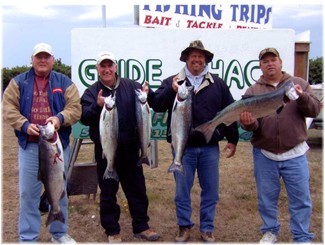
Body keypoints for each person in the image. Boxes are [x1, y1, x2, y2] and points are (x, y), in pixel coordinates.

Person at [147, 40, 239, 242]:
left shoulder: (218, 84)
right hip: (183, 150)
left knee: (211, 191)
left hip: (210, 148)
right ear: (186, 59)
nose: (197, 59)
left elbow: (229, 112)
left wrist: (232, 138)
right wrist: (171, 90)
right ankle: (183, 226)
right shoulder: (173, 81)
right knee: (182, 192)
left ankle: (207, 228)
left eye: (201, 56)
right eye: (193, 56)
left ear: (206, 60)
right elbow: (157, 105)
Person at [239, 48, 320, 243]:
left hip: (296, 153)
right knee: (267, 198)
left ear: (281, 62)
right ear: (260, 66)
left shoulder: (298, 84)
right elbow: (252, 126)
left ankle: (301, 236)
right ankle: (270, 231)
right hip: (264, 153)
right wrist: (249, 123)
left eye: (273, 59)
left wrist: (302, 97)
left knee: (300, 199)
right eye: (265, 61)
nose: (269, 63)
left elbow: (315, 110)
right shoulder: (252, 91)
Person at [2, 42, 81, 243]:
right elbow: (8, 108)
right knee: (29, 193)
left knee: (59, 191)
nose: (43, 60)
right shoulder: (18, 83)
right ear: (32, 59)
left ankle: (59, 233)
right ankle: (28, 237)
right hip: (29, 146)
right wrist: (24, 124)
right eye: (39, 57)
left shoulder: (65, 83)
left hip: (57, 146)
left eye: (47, 57)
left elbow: (75, 108)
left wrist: (59, 119)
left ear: (53, 60)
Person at [80, 51, 160, 243]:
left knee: (137, 190)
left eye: (110, 65)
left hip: (131, 150)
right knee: (108, 193)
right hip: (106, 152)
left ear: (116, 67)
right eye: (102, 66)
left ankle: (142, 226)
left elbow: (153, 101)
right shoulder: (91, 92)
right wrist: (97, 106)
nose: (107, 69)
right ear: (97, 69)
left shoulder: (132, 86)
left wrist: (149, 95)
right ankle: (112, 230)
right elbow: (84, 117)